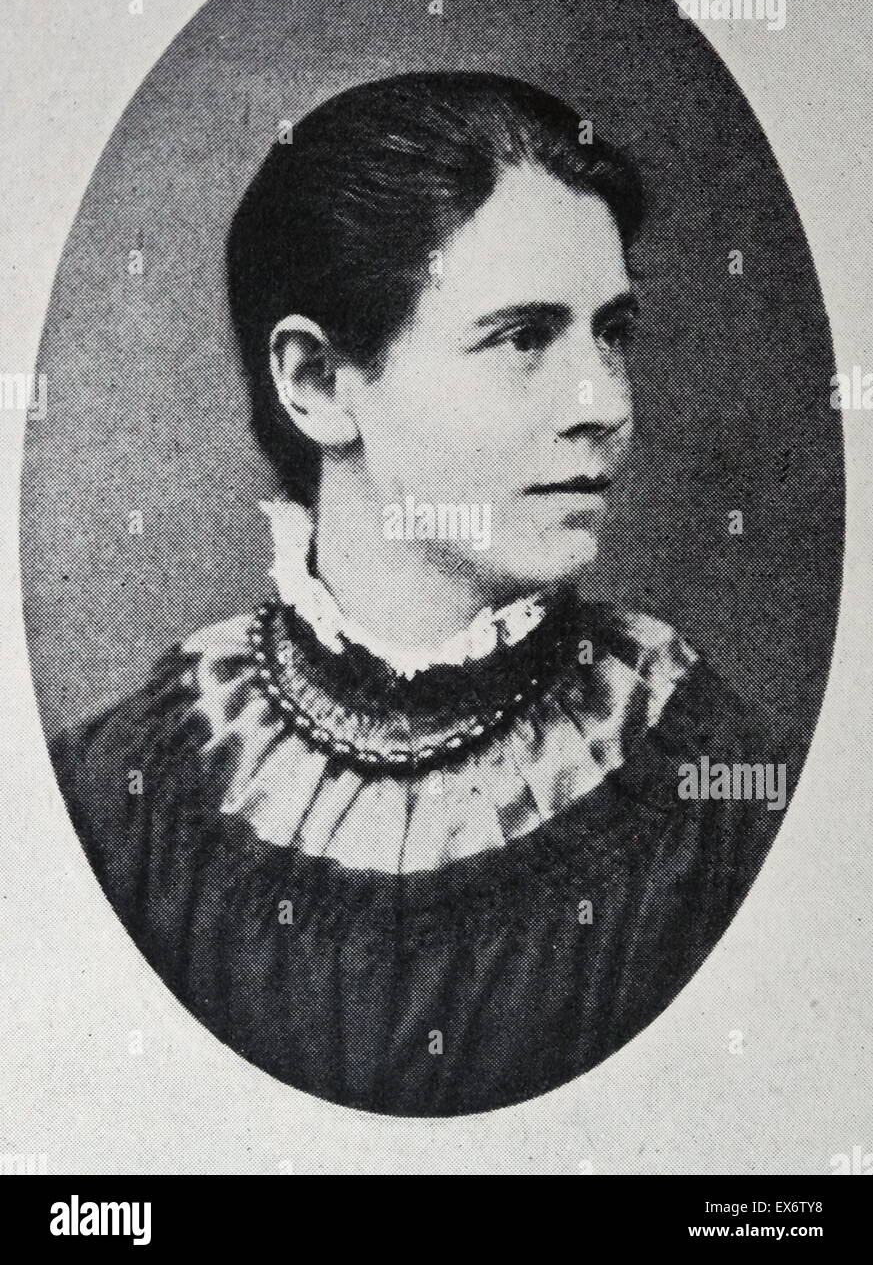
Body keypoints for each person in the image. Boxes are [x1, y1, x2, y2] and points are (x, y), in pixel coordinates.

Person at [51, 72, 784, 1115]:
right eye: (523, 338)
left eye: (612, 332)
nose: (604, 404)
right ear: (316, 382)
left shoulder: (701, 773)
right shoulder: (127, 791)